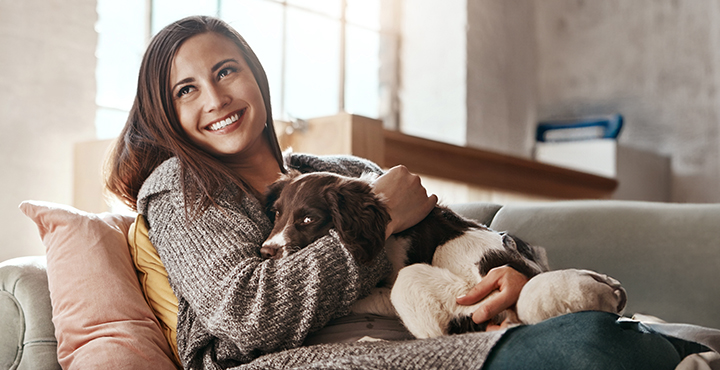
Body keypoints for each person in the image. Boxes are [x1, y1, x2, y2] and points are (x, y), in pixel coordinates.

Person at [106, 15, 701, 370]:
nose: (215, 98)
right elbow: (245, 316)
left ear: (255, 75)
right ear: (167, 112)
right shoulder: (180, 188)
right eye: (186, 90)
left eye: (226, 70)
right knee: (589, 343)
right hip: (314, 360)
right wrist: (383, 215)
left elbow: (451, 242)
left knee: (599, 331)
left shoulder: (342, 168)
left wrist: (510, 277)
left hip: (431, 328)